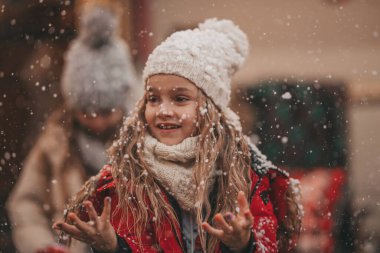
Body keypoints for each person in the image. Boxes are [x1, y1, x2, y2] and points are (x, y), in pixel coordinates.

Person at [53, 18, 302, 253]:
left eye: (180, 99)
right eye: (153, 98)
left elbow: (269, 242)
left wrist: (244, 245)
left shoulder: (246, 173)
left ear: (210, 110)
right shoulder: (127, 177)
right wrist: (114, 247)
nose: (163, 111)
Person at [6, 1, 139, 253]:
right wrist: (42, 245)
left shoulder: (141, 145)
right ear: (72, 107)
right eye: (87, 112)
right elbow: (25, 203)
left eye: (106, 111)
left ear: (123, 105)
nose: (97, 121)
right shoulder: (55, 142)